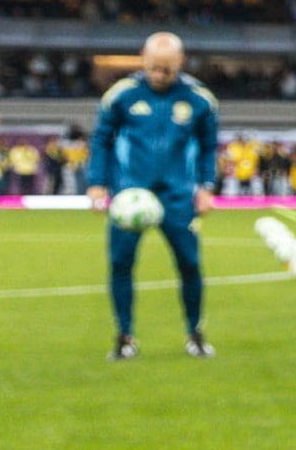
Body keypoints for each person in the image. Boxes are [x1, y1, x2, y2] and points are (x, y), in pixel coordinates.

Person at [89, 31, 222, 361]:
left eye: (167, 69)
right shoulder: (122, 95)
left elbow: (208, 146)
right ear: (143, 59)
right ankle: (124, 337)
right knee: (121, 264)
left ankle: (195, 333)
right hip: (129, 197)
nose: (159, 76)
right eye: (153, 68)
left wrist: (206, 187)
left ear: (181, 63)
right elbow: (101, 139)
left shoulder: (199, 99)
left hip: (177, 198)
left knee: (190, 264)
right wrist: (96, 183)